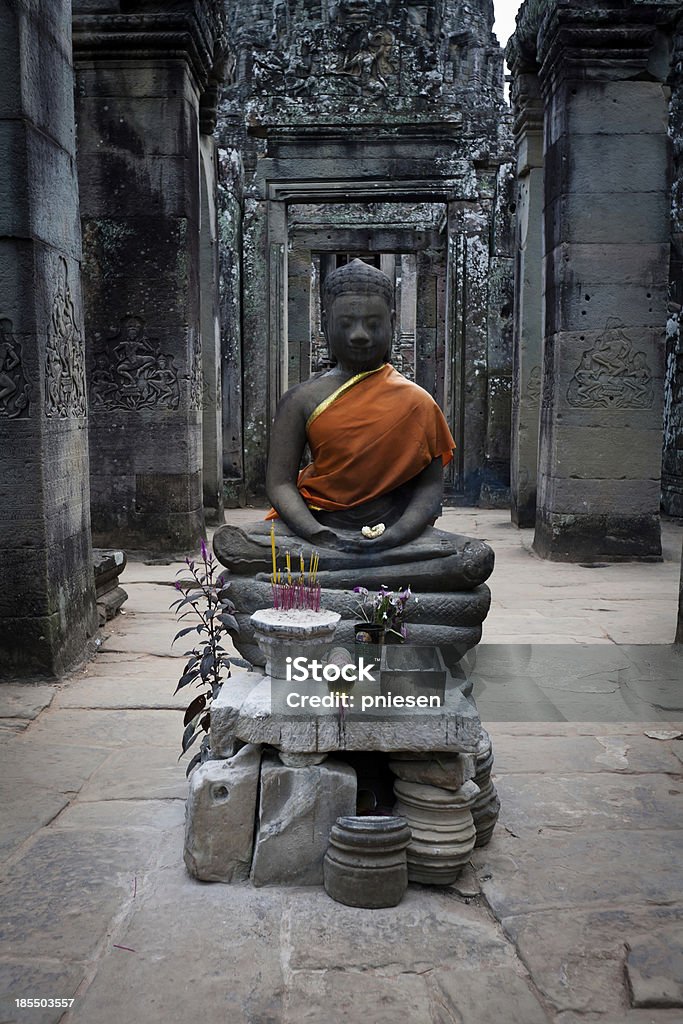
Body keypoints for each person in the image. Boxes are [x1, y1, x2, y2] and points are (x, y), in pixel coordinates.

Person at [214, 259, 493, 592]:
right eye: (346, 323)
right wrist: (316, 533)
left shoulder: (418, 402)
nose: (359, 335)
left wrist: (397, 535)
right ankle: (370, 579)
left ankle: (322, 580)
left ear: (391, 323)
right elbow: (280, 485)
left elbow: (430, 489)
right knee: (234, 544)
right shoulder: (301, 400)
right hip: (316, 528)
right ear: (327, 323)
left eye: (373, 323)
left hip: (395, 533)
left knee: (474, 558)